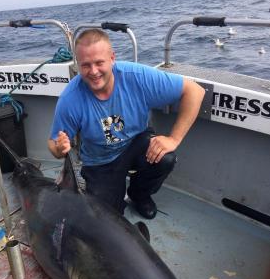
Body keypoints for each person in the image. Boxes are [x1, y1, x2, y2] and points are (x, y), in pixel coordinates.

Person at [48, 29, 205, 219]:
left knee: (166, 158)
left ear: (112, 58)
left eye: (99, 63)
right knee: (105, 218)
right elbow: (53, 143)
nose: (94, 71)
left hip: (136, 142)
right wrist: (59, 148)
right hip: (100, 161)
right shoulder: (70, 98)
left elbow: (195, 91)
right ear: (78, 65)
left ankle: (139, 195)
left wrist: (174, 139)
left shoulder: (136, 76)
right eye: (86, 65)